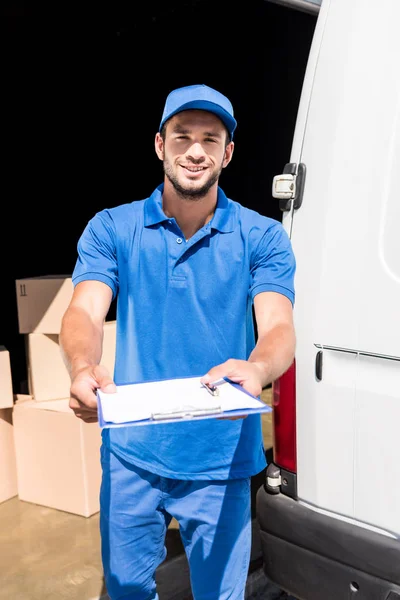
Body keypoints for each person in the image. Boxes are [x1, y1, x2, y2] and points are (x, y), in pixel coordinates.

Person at [59, 83, 296, 600]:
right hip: (131, 453)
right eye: (182, 136)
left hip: (221, 458)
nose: (195, 150)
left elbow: (278, 327)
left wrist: (257, 370)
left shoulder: (262, 237)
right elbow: (84, 311)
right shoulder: (113, 228)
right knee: (126, 591)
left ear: (227, 153)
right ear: (160, 145)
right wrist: (83, 365)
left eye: (210, 139)